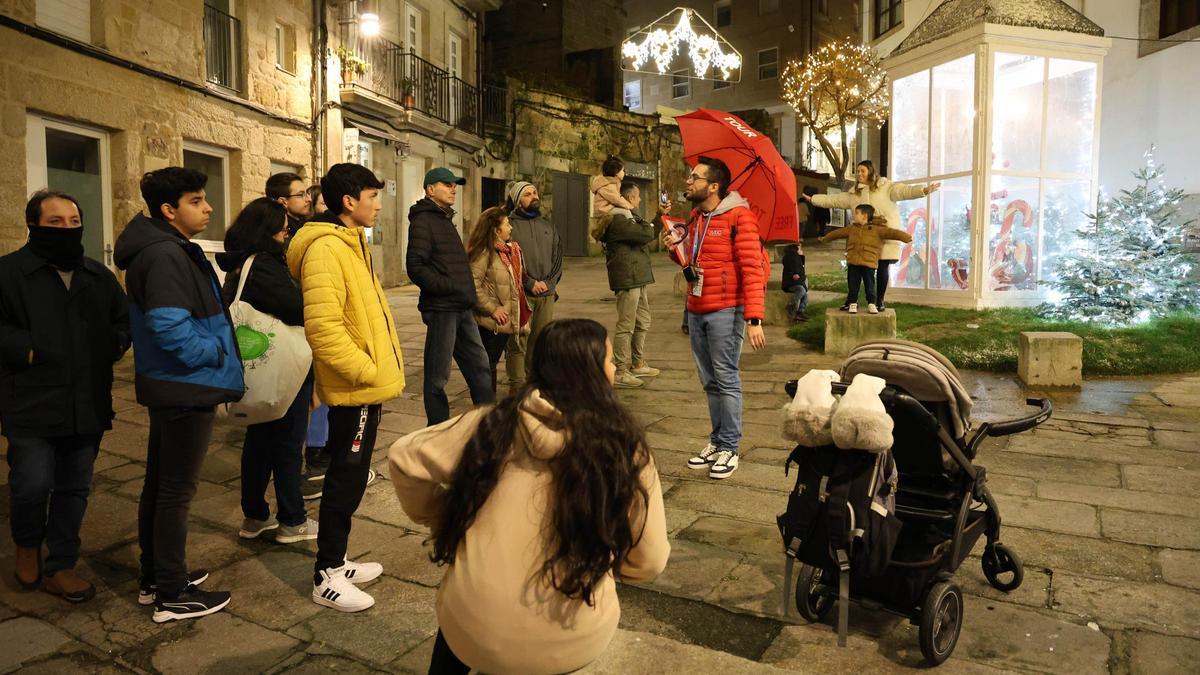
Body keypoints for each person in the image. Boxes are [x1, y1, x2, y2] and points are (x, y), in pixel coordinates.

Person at [388, 318, 669, 674]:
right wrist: (613, 568)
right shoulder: (624, 448)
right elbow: (651, 560)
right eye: (610, 361)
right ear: (592, 374)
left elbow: (402, 455)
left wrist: (442, 514)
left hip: (472, 628)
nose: (614, 369)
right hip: (571, 637)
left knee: (460, 631)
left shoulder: (491, 424)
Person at [114, 167, 245, 622]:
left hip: (175, 384)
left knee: (161, 485)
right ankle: (171, 593)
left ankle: (157, 578)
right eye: (196, 200)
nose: (208, 207)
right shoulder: (165, 255)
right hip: (185, 385)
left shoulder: (163, 248)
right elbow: (171, 329)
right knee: (175, 491)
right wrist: (214, 352)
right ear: (169, 210)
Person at [0, 191, 130, 603]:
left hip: (87, 400)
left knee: (75, 486)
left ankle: (61, 564)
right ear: (33, 225)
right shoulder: (9, 273)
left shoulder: (97, 274)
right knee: (31, 483)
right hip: (31, 399)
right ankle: (26, 547)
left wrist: (110, 345)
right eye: (55, 222)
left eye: (74, 222)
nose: (67, 229)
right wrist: (27, 349)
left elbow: (123, 321)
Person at [286, 162, 404, 613]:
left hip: (365, 387)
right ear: (349, 202)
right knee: (344, 476)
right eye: (372, 197)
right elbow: (325, 329)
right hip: (355, 386)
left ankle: (338, 559)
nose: (378, 204)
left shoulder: (351, 244)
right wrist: (368, 371)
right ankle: (326, 574)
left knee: (351, 476)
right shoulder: (325, 251)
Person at [216, 198, 318, 544]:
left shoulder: (242, 263)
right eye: (281, 224)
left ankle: (255, 516)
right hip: (281, 368)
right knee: (288, 444)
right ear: (266, 230)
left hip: (258, 366)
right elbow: (295, 308)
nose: (287, 229)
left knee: (259, 442)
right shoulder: (263, 264)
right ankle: (293, 520)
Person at [663, 156, 767, 480]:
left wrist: (754, 318)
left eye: (695, 178)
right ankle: (717, 440)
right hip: (696, 306)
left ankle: (730, 447)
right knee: (709, 381)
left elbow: (753, 268)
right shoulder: (696, 216)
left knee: (726, 378)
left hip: (726, 310)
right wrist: (673, 248)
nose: (688, 182)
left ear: (713, 186)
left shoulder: (740, 217)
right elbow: (689, 258)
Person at [406, 168, 495, 426]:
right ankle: (437, 428)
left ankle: (490, 421)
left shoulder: (444, 219)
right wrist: (448, 287)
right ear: (430, 189)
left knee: (480, 365)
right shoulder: (424, 220)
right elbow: (415, 266)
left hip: (461, 306)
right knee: (437, 375)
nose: (453, 189)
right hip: (443, 308)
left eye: (455, 185)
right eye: (447, 185)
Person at [802, 160, 938, 310]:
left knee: (882, 267)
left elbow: (904, 191)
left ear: (870, 171)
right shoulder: (854, 193)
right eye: (858, 171)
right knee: (856, 270)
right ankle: (851, 300)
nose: (859, 174)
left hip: (883, 235)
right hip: (863, 239)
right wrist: (813, 199)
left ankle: (879, 300)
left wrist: (923, 190)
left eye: (863, 171)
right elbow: (834, 200)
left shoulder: (886, 187)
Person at [602, 182, 661, 388]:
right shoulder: (618, 219)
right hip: (627, 277)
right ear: (628, 198)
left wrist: (658, 218)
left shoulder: (630, 217)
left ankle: (637, 363)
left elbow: (647, 232)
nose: (640, 200)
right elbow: (646, 234)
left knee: (643, 320)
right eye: (637, 197)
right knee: (626, 325)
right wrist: (651, 224)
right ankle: (620, 370)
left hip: (639, 275)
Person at [466, 206, 530, 393]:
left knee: (491, 363)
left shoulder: (505, 251)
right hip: (490, 321)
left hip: (503, 319)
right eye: (507, 224)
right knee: (487, 364)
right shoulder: (485, 252)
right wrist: (493, 309)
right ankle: (486, 405)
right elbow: (473, 284)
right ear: (496, 229)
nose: (511, 228)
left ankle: (487, 403)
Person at [505, 181, 562, 386]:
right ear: (517, 200)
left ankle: (534, 381)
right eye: (528, 194)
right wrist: (529, 283)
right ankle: (516, 385)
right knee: (518, 341)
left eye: (535, 192)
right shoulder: (508, 225)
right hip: (521, 292)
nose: (534, 196)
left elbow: (558, 258)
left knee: (540, 341)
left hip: (546, 293)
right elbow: (506, 259)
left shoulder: (548, 225)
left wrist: (548, 282)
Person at [819, 204, 913, 314]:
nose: (854, 215)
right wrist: (826, 238)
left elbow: (892, 233)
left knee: (870, 285)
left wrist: (906, 237)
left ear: (865, 215)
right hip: (853, 262)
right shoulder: (852, 229)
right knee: (853, 285)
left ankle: (872, 303)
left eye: (856, 213)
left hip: (869, 263)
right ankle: (852, 303)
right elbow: (838, 233)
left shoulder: (877, 229)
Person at [266, 172, 312, 238]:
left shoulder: (305, 224)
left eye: (307, 193)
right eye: (301, 195)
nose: (309, 199)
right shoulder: (282, 234)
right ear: (284, 201)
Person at [782, 243, 809, 322]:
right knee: (801, 290)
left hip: (797, 282)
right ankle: (791, 305)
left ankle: (800, 312)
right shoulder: (790, 257)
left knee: (805, 294)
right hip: (790, 283)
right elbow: (792, 267)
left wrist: (801, 256)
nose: (801, 250)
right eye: (800, 249)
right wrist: (794, 274)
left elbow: (801, 268)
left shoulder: (797, 258)